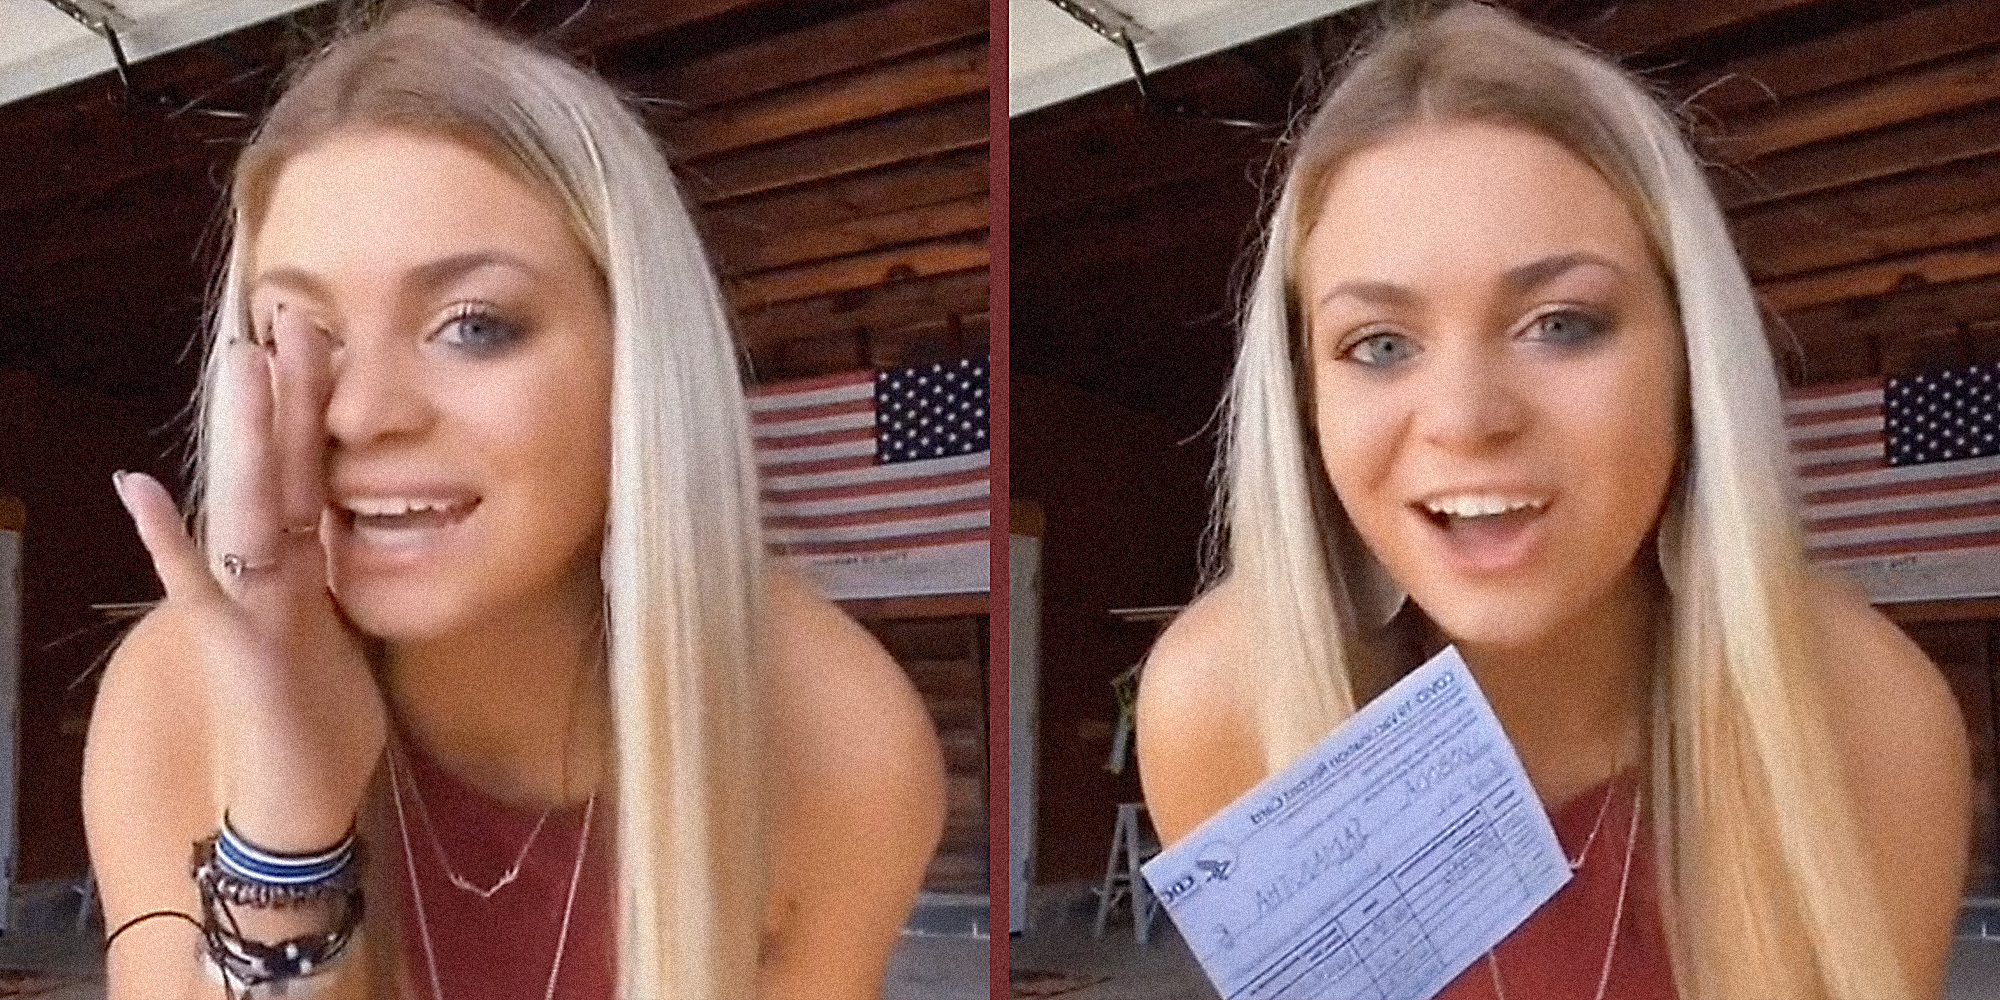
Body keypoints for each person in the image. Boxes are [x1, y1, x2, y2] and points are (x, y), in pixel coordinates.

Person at [80, 5, 946, 998]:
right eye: (295, 336)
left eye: (472, 326)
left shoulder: (834, 729)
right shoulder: (177, 692)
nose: (359, 414)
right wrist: (284, 832)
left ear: (635, 359)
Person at [1135, 4, 1969, 999]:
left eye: (1560, 323)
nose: (1462, 418)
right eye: (1379, 345)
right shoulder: (1224, 700)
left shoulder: (1861, 712)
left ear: (1686, 359)